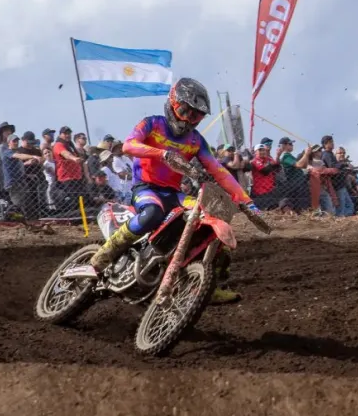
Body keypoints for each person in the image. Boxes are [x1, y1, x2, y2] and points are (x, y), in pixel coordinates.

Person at [69, 78, 259, 304]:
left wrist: (246, 201)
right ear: (173, 103)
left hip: (174, 194)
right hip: (146, 188)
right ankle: (101, 258)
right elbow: (129, 145)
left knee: (214, 223)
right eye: (185, 111)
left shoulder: (196, 140)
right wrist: (161, 154)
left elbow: (219, 171)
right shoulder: (152, 123)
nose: (189, 119)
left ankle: (209, 285)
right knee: (152, 213)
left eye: (196, 115)